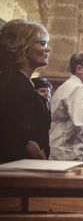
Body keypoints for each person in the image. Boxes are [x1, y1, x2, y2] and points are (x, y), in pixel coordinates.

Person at [0, 19, 51, 163]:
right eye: (42, 43)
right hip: (18, 166)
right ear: (24, 47)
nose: (48, 49)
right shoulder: (15, 85)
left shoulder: (22, 81)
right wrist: (45, 167)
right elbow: (27, 140)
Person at [49, 52, 83, 160]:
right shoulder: (77, 88)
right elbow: (82, 123)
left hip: (58, 148)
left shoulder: (67, 85)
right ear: (79, 69)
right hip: (67, 152)